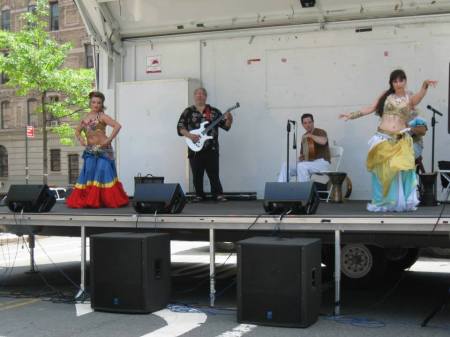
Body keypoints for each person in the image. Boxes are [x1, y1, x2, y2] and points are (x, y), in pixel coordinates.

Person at [340, 69, 437, 212]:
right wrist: (352, 115)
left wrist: (425, 85)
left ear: (405, 81)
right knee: (382, 172)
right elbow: (372, 108)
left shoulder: (409, 98)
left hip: (399, 139)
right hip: (383, 138)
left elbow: (419, 97)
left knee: (401, 168)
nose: (398, 83)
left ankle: (399, 201)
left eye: (401, 80)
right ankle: (385, 201)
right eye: (395, 81)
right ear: (391, 82)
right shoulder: (386, 96)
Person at [66, 91, 129, 208]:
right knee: (89, 172)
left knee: (102, 171)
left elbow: (117, 126)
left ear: (101, 104)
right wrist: (81, 139)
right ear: (90, 103)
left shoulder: (102, 116)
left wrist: (109, 140)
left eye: (99, 103)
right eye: (94, 102)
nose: (96, 105)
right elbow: (77, 131)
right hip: (90, 150)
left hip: (103, 150)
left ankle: (106, 200)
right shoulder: (85, 119)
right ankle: (90, 200)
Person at [177, 87, 233, 202]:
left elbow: (226, 127)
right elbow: (180, 127)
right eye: (197, 94)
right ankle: (199, 195)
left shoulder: (214, 111)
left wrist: (229, 119)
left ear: (206, 96)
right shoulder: (188, 111)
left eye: (202, 94)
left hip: (211, 147)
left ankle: (217, 194)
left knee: (213, 173)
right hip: (194, 148)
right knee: (197, 174)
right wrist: (190, 135)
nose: (200, 96)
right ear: (194, 96)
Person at [278, 113, 330, 182]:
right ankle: (281, 188)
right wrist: (301, 158)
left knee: (302, 166)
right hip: (309, 163)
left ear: (313, 122)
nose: (307, 125)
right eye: (305, 123)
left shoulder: (320, 131)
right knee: (286, 165)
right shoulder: (304, 136)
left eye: (309, 122)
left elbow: (324, 141)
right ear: (302, 124)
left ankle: (305, 191)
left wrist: (311, 136)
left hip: (322, 162)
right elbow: (304, 156)